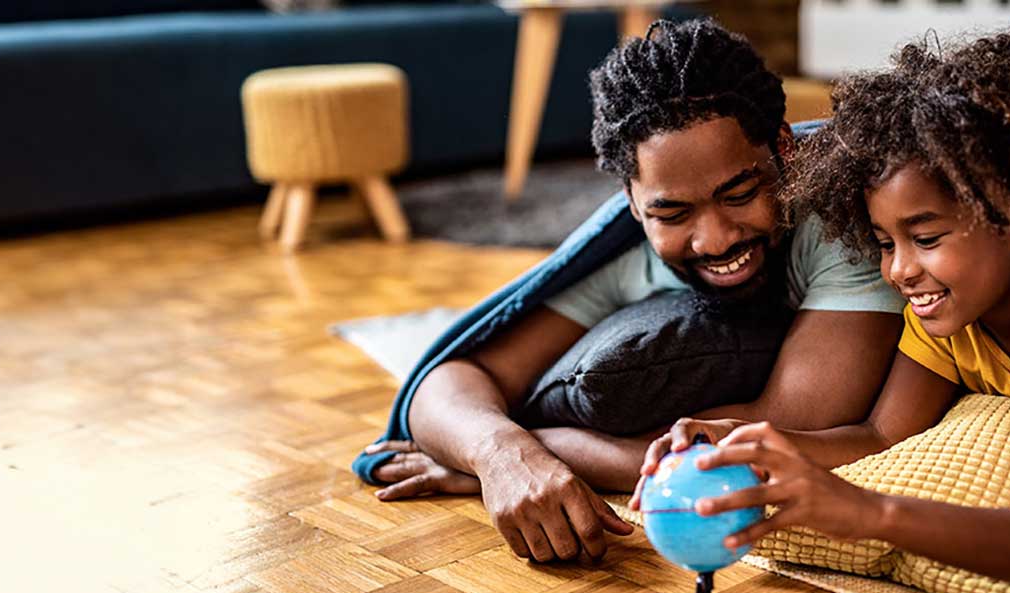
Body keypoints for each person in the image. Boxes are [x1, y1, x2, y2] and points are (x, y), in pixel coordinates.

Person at [633, 27, 1010, 592]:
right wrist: (740, 439)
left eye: (925, 238)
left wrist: (871, 512)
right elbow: (880, 434)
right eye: (885, 242)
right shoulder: (948, 309)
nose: (899, 271)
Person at [355, 18, 906, 564]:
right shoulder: (626, 252)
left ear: (783, 148)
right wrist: (501, 455)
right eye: (672, 213)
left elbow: (789, 426)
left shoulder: (842, 221)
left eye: (739, 194)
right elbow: (453, 380)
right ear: (632, 203)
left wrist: (544, 448)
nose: (715, 239)